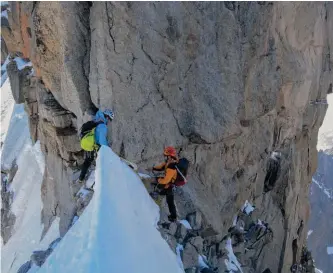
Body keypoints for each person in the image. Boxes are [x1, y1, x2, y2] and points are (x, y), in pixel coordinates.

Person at [78, 109, 114, 183]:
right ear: (107, 117)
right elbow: (102, 141)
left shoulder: (96, 119)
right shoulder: (102, 126)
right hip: (92, 143)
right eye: (109, 119)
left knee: (88, 160)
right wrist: (108, 149)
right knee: (99, 158)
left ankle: (81, 178)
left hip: (86, 141)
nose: (109, 121)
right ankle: (101, 179)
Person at [152, 146, 179, 222]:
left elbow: (166, 180)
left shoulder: (172, 166)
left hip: (169, 186)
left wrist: (159, 180)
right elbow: (161, 167)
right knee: (170, 202)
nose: (165, 156)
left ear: (170, 156)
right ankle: (173, 217)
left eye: (166, 155)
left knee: (168, 200)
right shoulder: (169, 163)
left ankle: (153, 199)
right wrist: (153, 168)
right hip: (170, 185)